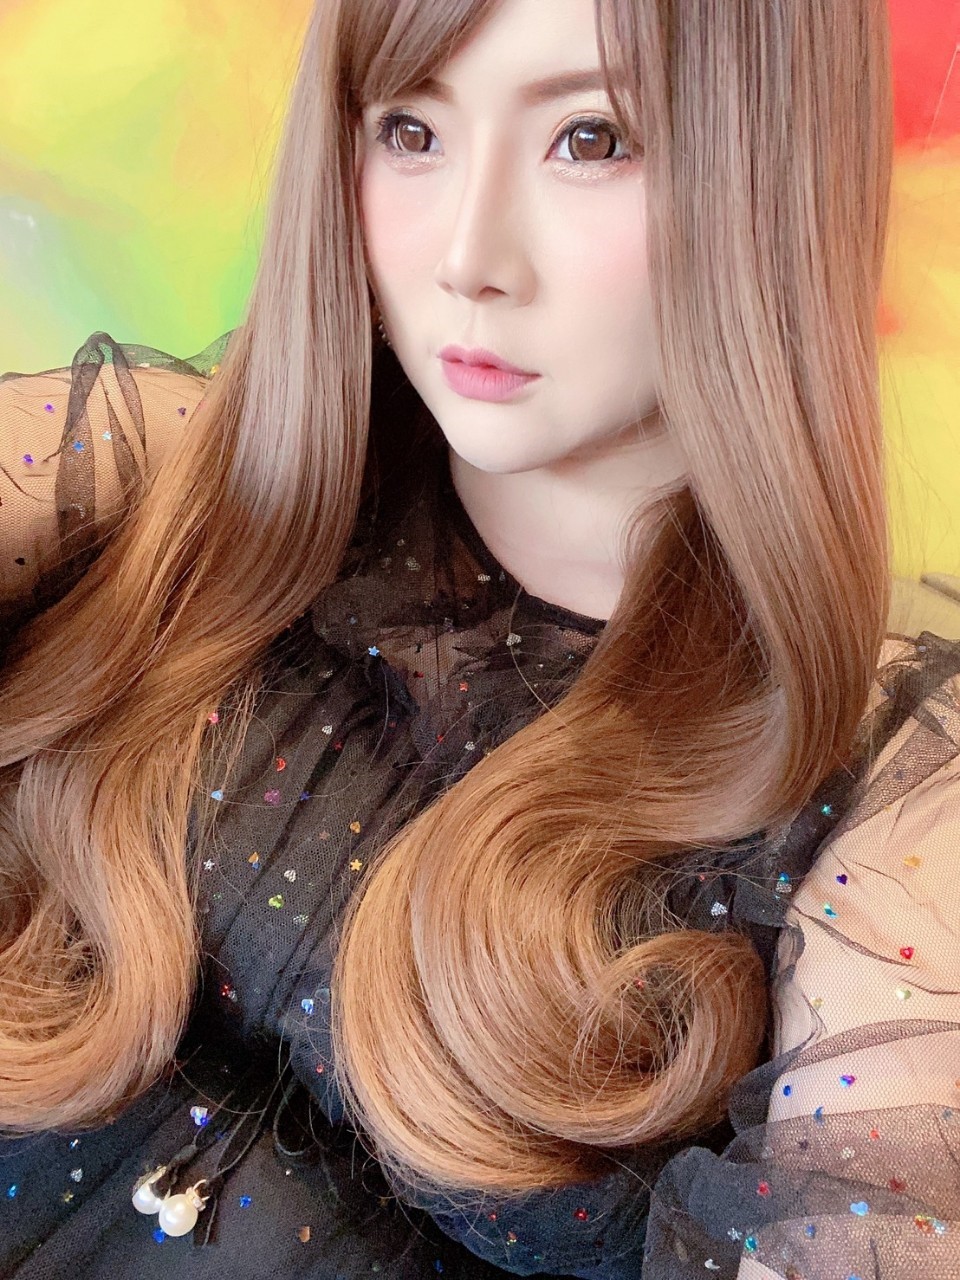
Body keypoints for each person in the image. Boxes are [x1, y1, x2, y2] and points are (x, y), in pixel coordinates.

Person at [1, 0, 958, 1276]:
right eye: (410, 129)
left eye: (591, 137)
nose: (467, 254)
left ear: (774, 172)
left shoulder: (891, 837)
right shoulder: (161, 483)